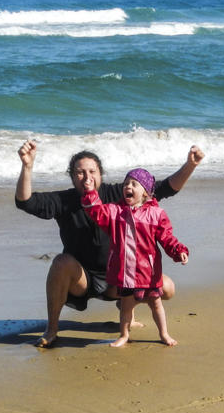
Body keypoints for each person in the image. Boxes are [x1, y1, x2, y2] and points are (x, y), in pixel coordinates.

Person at [15, 143, 204, 347]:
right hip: (82, 280)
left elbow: (165, 187)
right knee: (60, 262)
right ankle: (52, 329)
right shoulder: (63, 200)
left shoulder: (118, 195)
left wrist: (190, 165)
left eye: (92, 171)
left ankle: (125, 306)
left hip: (120, 278)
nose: (87, 177)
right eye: (80, 172)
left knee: (167, 288)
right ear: (72, 176)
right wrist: (27, 166)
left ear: (100, 174)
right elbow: (25, 202)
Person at [81, 168, 189, 347]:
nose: (127, 187)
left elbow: (167, 237)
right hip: (126, 273)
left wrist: (179, 250)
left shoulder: (156, 214)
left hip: (149, 272)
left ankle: (164, 334)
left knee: (156, 305)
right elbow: (96, 212)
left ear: (145, 191)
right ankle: (124, 335)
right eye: (125, 184)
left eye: (133, 184)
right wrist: (90, 192)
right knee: (126, 307)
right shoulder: (115, 212)